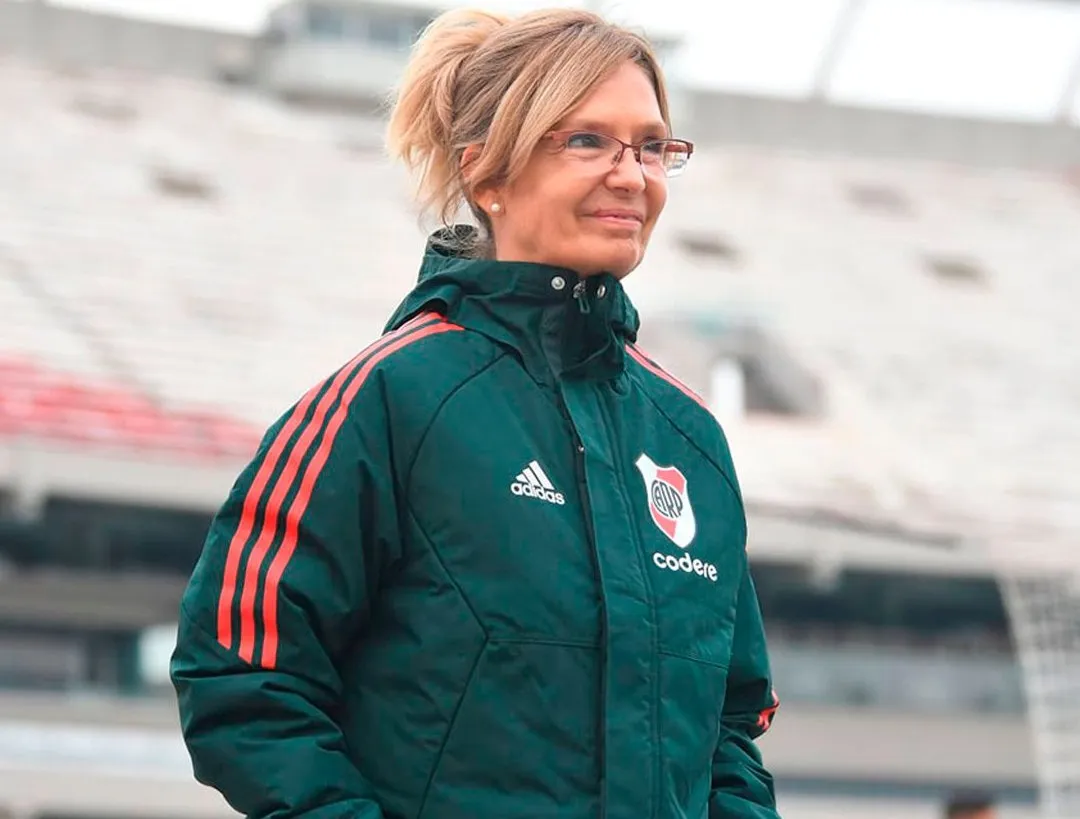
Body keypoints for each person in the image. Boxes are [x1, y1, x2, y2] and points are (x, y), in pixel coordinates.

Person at [170, 7, 780, 819]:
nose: (632, 175)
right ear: (486, 174)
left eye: (650, 146)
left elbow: (730, 729)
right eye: (587, 141)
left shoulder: (689, 440)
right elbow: (241, 677)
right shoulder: (388, 399)